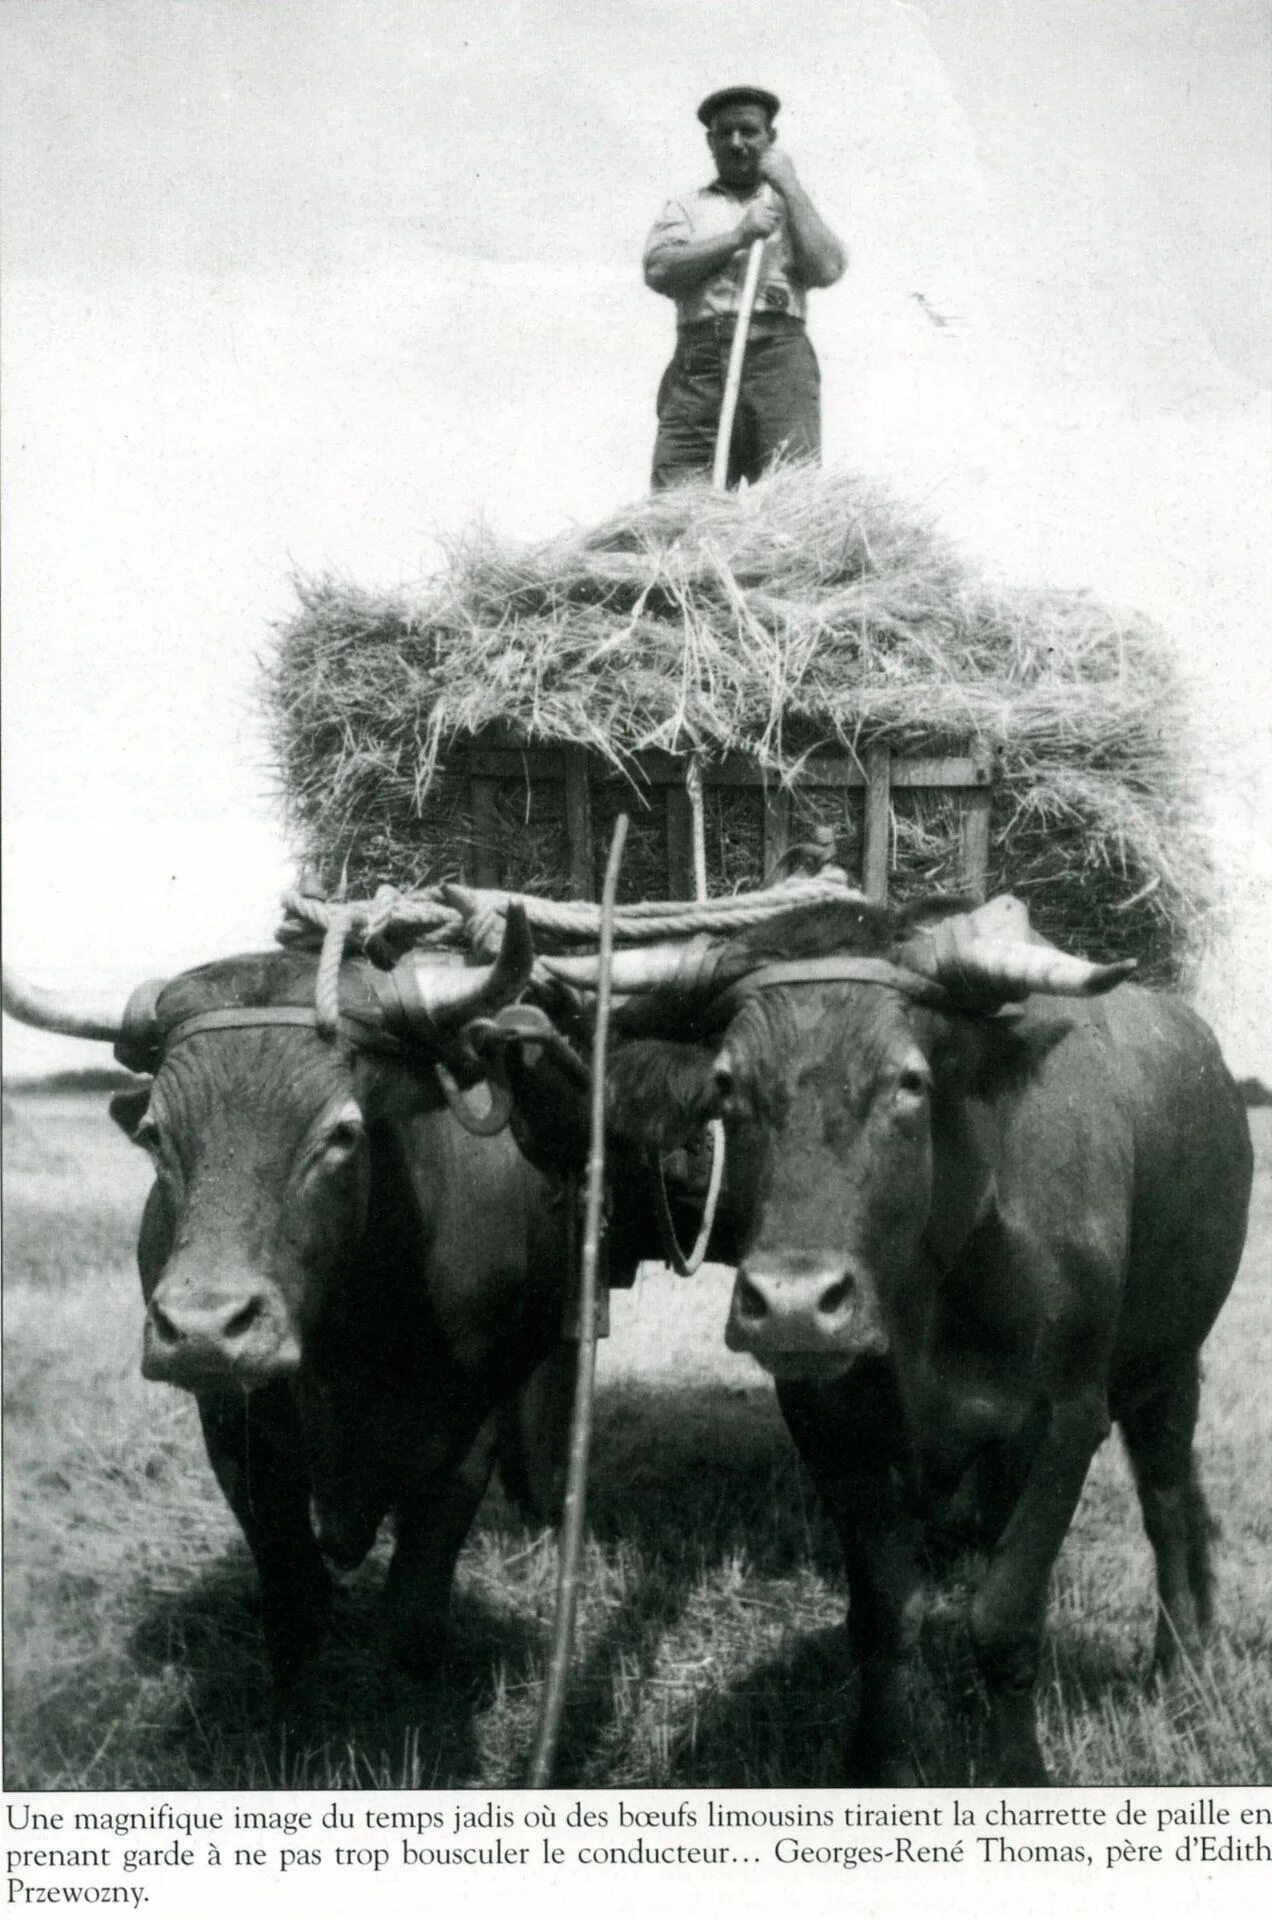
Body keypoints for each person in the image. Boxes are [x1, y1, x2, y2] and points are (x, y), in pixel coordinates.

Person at [644, 86, 847, 490]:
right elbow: (659, 269)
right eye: (725, 133)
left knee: (789, 493)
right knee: (679, 497)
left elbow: (827, 268)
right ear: (711, 142)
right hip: (699, 362)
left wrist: (790, 187)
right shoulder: (687, 207)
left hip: (779, 357)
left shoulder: (793, 206)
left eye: (749, 131)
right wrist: (738, 237)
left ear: (770, 138)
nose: (737, 143)